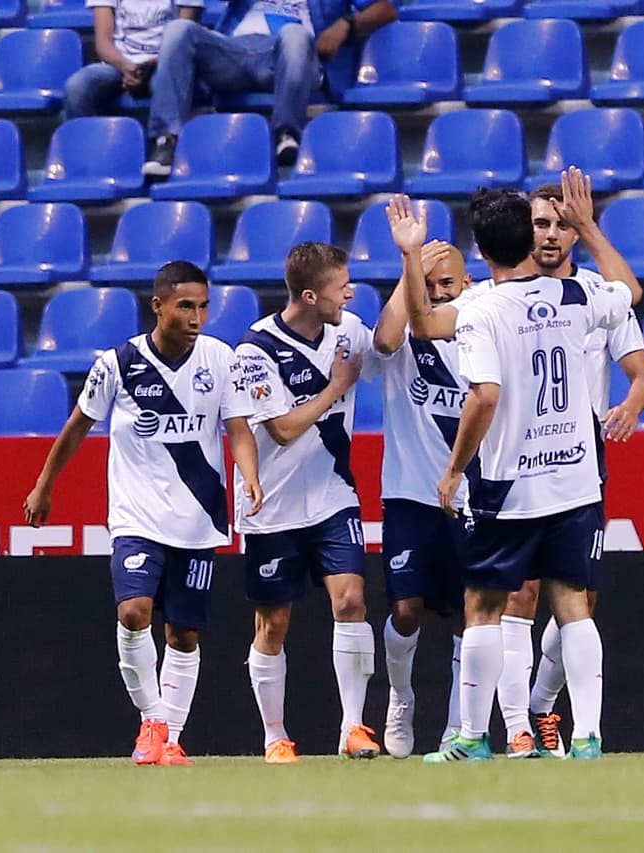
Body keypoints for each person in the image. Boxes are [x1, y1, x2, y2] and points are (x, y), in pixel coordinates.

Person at [418, 181, 635, 763]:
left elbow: (482, 393)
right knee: (571, 606)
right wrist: (587, 226)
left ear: (482, 252)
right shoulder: (574, 294)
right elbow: (629, 292)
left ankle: (470, 738)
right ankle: (588, 735)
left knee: (483, 607)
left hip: (509, 483)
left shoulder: (479, 309)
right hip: (574, 477)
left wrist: (454, 469)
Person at [23, 261, 264, 767]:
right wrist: (45, 486)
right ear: (158, 306)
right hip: (136, 516)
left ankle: (169, 737)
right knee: (134, 613)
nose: (197, 316)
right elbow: (75, 429)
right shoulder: (118, 364)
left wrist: (250, 477)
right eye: (185, 306)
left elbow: (238, 428)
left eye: (203, 306)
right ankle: (152, 720)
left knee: (184, 633)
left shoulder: (221, 360)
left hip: (199, 517)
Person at [497, 182, 644, 758]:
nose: (549, 234)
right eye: (540, 224)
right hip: (516, 455)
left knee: (579, 603)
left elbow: (642, 374)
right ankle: (519, 728)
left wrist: (630, 407)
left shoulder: (594, 292)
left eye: (560, 225)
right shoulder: (505, 292)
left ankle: (543, 705)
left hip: (581, 455)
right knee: (519, 596)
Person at [232, 241, 382, 763]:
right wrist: (337, 386)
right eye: (342, 286)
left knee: (352, 602)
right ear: (312, 295)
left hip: (333, 494)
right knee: (273, 624)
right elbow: (284, 427)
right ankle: (275, 734)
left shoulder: (349, 329)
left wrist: (414, 267)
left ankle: (353, 727)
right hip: (272, 504)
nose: (351, 293)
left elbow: (388, 342)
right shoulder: (255, 350)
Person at [372, 200, 477, 758]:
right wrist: (408, 263)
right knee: (406, 609)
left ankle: (458, 728)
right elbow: (385, 340)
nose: (438, 295)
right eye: (430, 286)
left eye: (447, 285)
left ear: (469, 283)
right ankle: (402, 696)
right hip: (410, 493)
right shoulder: (405, 332)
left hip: (471, 497)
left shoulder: (482, 323)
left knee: (471, 612)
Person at [142, 0, 398, 176]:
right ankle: (165, 140)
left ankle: (286, 133)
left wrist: (346, 24)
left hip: (293, 57)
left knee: (294, 34)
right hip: (235, 53)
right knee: (178, 29)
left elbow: (386, 10)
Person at [65, 0, 204, 120]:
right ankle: (88, 148)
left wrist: (150, 66)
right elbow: (103, 45)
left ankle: (166, 144)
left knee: (166, 85)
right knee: (77, 87)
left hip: (166, 64)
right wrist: (127, 67)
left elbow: (183, 39)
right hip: (118, 64)